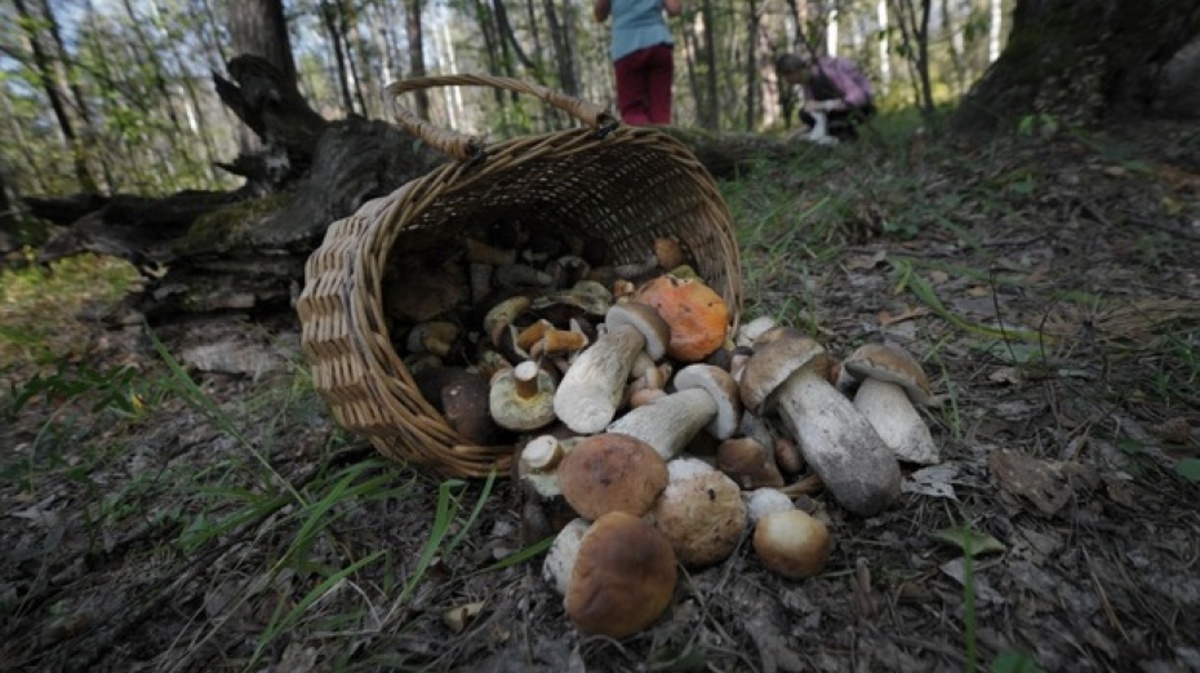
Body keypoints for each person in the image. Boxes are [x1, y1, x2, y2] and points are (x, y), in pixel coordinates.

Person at [594, 0, 683, 125]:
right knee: (660, 111)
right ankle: (663, 142)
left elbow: (599, 14)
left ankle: (645, 142)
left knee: (633, 112)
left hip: (626, 47)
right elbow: (675, 8)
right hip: (658, 42)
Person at [776, 52, 875, 142]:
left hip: (859, 109)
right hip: (837, 113)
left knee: (810, 112)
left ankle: (843, 134)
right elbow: (815, 114)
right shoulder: (808, 84)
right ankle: (836, 133)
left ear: (793, 71)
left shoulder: (825, 74)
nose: (787, 81)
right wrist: (796, 133)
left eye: (786, 76)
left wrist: (824, 105)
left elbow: (858, 96)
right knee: (804, 113)